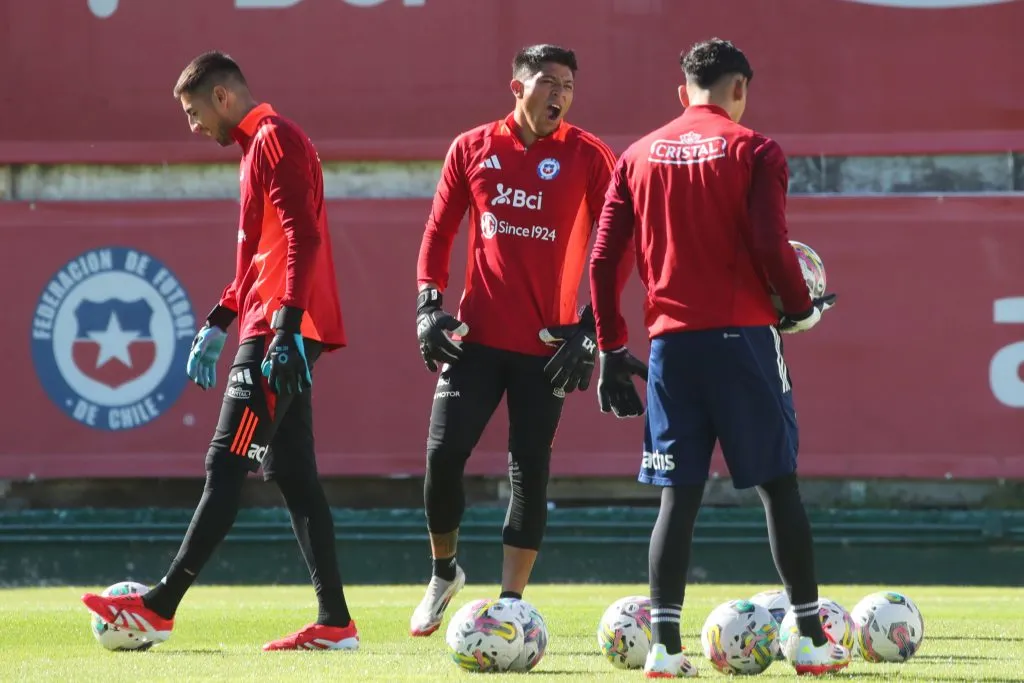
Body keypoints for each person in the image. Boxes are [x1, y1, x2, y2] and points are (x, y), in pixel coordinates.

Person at [81, 51, 358, 652]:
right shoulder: (258, 146)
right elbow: (264, 253)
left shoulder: (275, 139)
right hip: (270, 322)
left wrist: (284, 328)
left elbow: (303, 236)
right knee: (293, 474)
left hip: (279, 331)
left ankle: (158, 607)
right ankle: (336, 622)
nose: (192, 124)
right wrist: (220, 318)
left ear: (223, 97)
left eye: (192, 111)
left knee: (225, 465)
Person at [589, 38, 844, 678]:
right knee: (778, 487)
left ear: (683, 92)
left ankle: (666, 652)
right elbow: (767, 239)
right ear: (740, 91)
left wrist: (612, 349)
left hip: (671, 346)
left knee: (678, 497)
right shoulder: (755, 148)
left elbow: (601, 262)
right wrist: (799, 308)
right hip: (744, 341)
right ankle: (810, 639)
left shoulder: (638, 154)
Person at [410, 43, 618, 637]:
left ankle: (509, 605)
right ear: (517, 86)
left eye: (569, 85)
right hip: (474, 341)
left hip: (548, 347)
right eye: (549, 81)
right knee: (444, 456)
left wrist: (590, 330)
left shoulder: (588, 154)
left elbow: (618, 247)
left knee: (529, 469)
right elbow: (439, 231)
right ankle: (444, 571)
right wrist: (428, 306)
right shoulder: (472, 147)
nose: (560, 94)